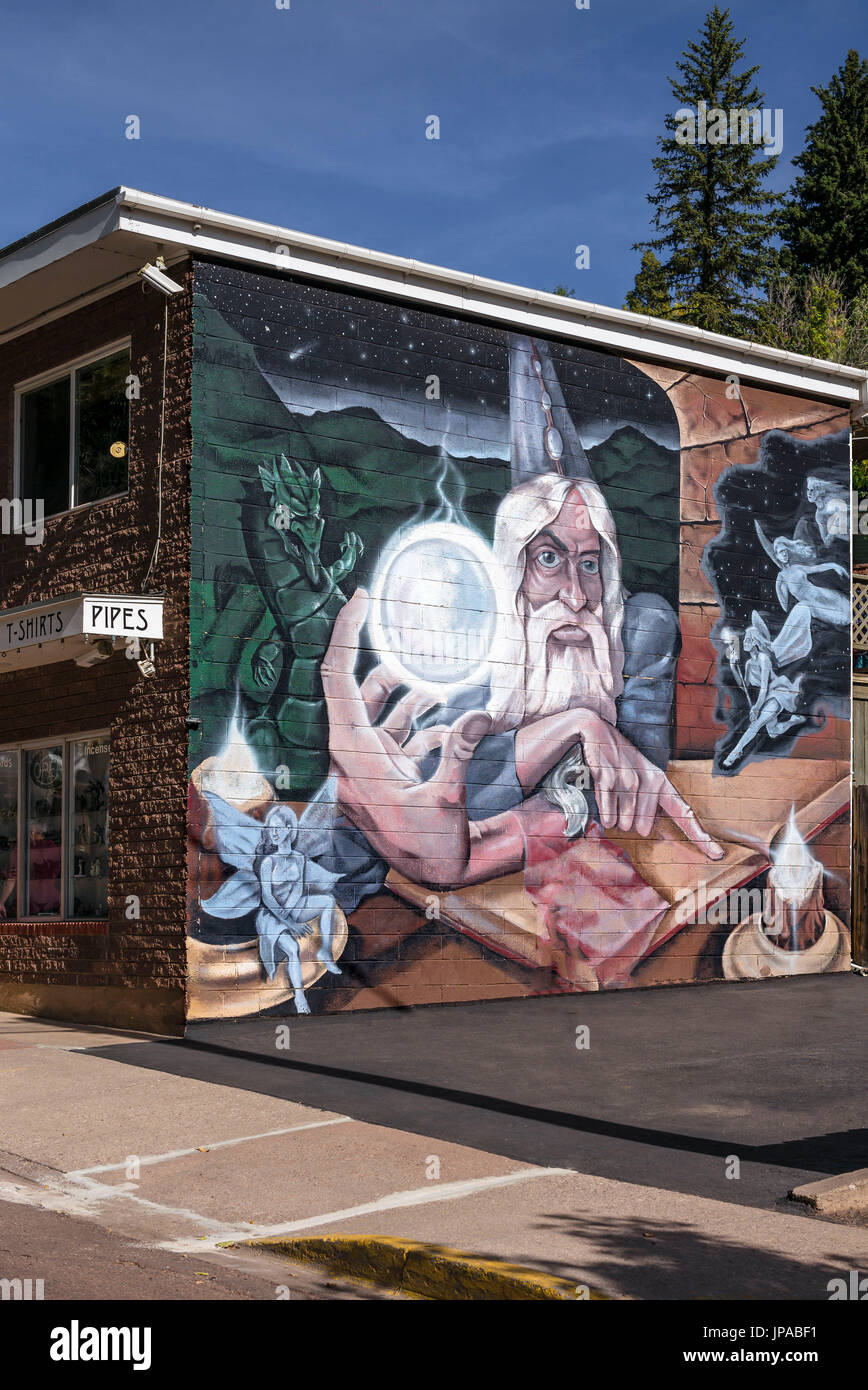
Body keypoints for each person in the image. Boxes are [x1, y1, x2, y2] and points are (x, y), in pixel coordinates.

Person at [306, 474, 722, 901]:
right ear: (511, 568)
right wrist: (573, 728)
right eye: (548, 558)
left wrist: (482, 846)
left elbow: (628, 786)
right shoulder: (483, 650)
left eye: (590, 564)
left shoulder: (639, 627)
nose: (576, 597)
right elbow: (417, 797)